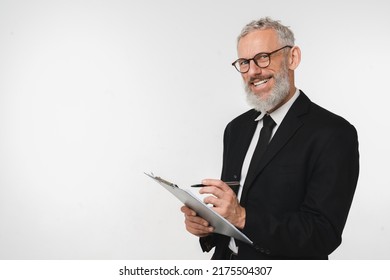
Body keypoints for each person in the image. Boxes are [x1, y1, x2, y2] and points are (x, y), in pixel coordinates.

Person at [180, 17, 359, 260]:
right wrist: (208, 227)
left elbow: (322, 234)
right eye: (244, 62)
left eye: (263, 57)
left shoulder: (334, 133)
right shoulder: (236, 129)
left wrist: (242, 216)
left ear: (292, 58)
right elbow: (235, 211)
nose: (253, 71)